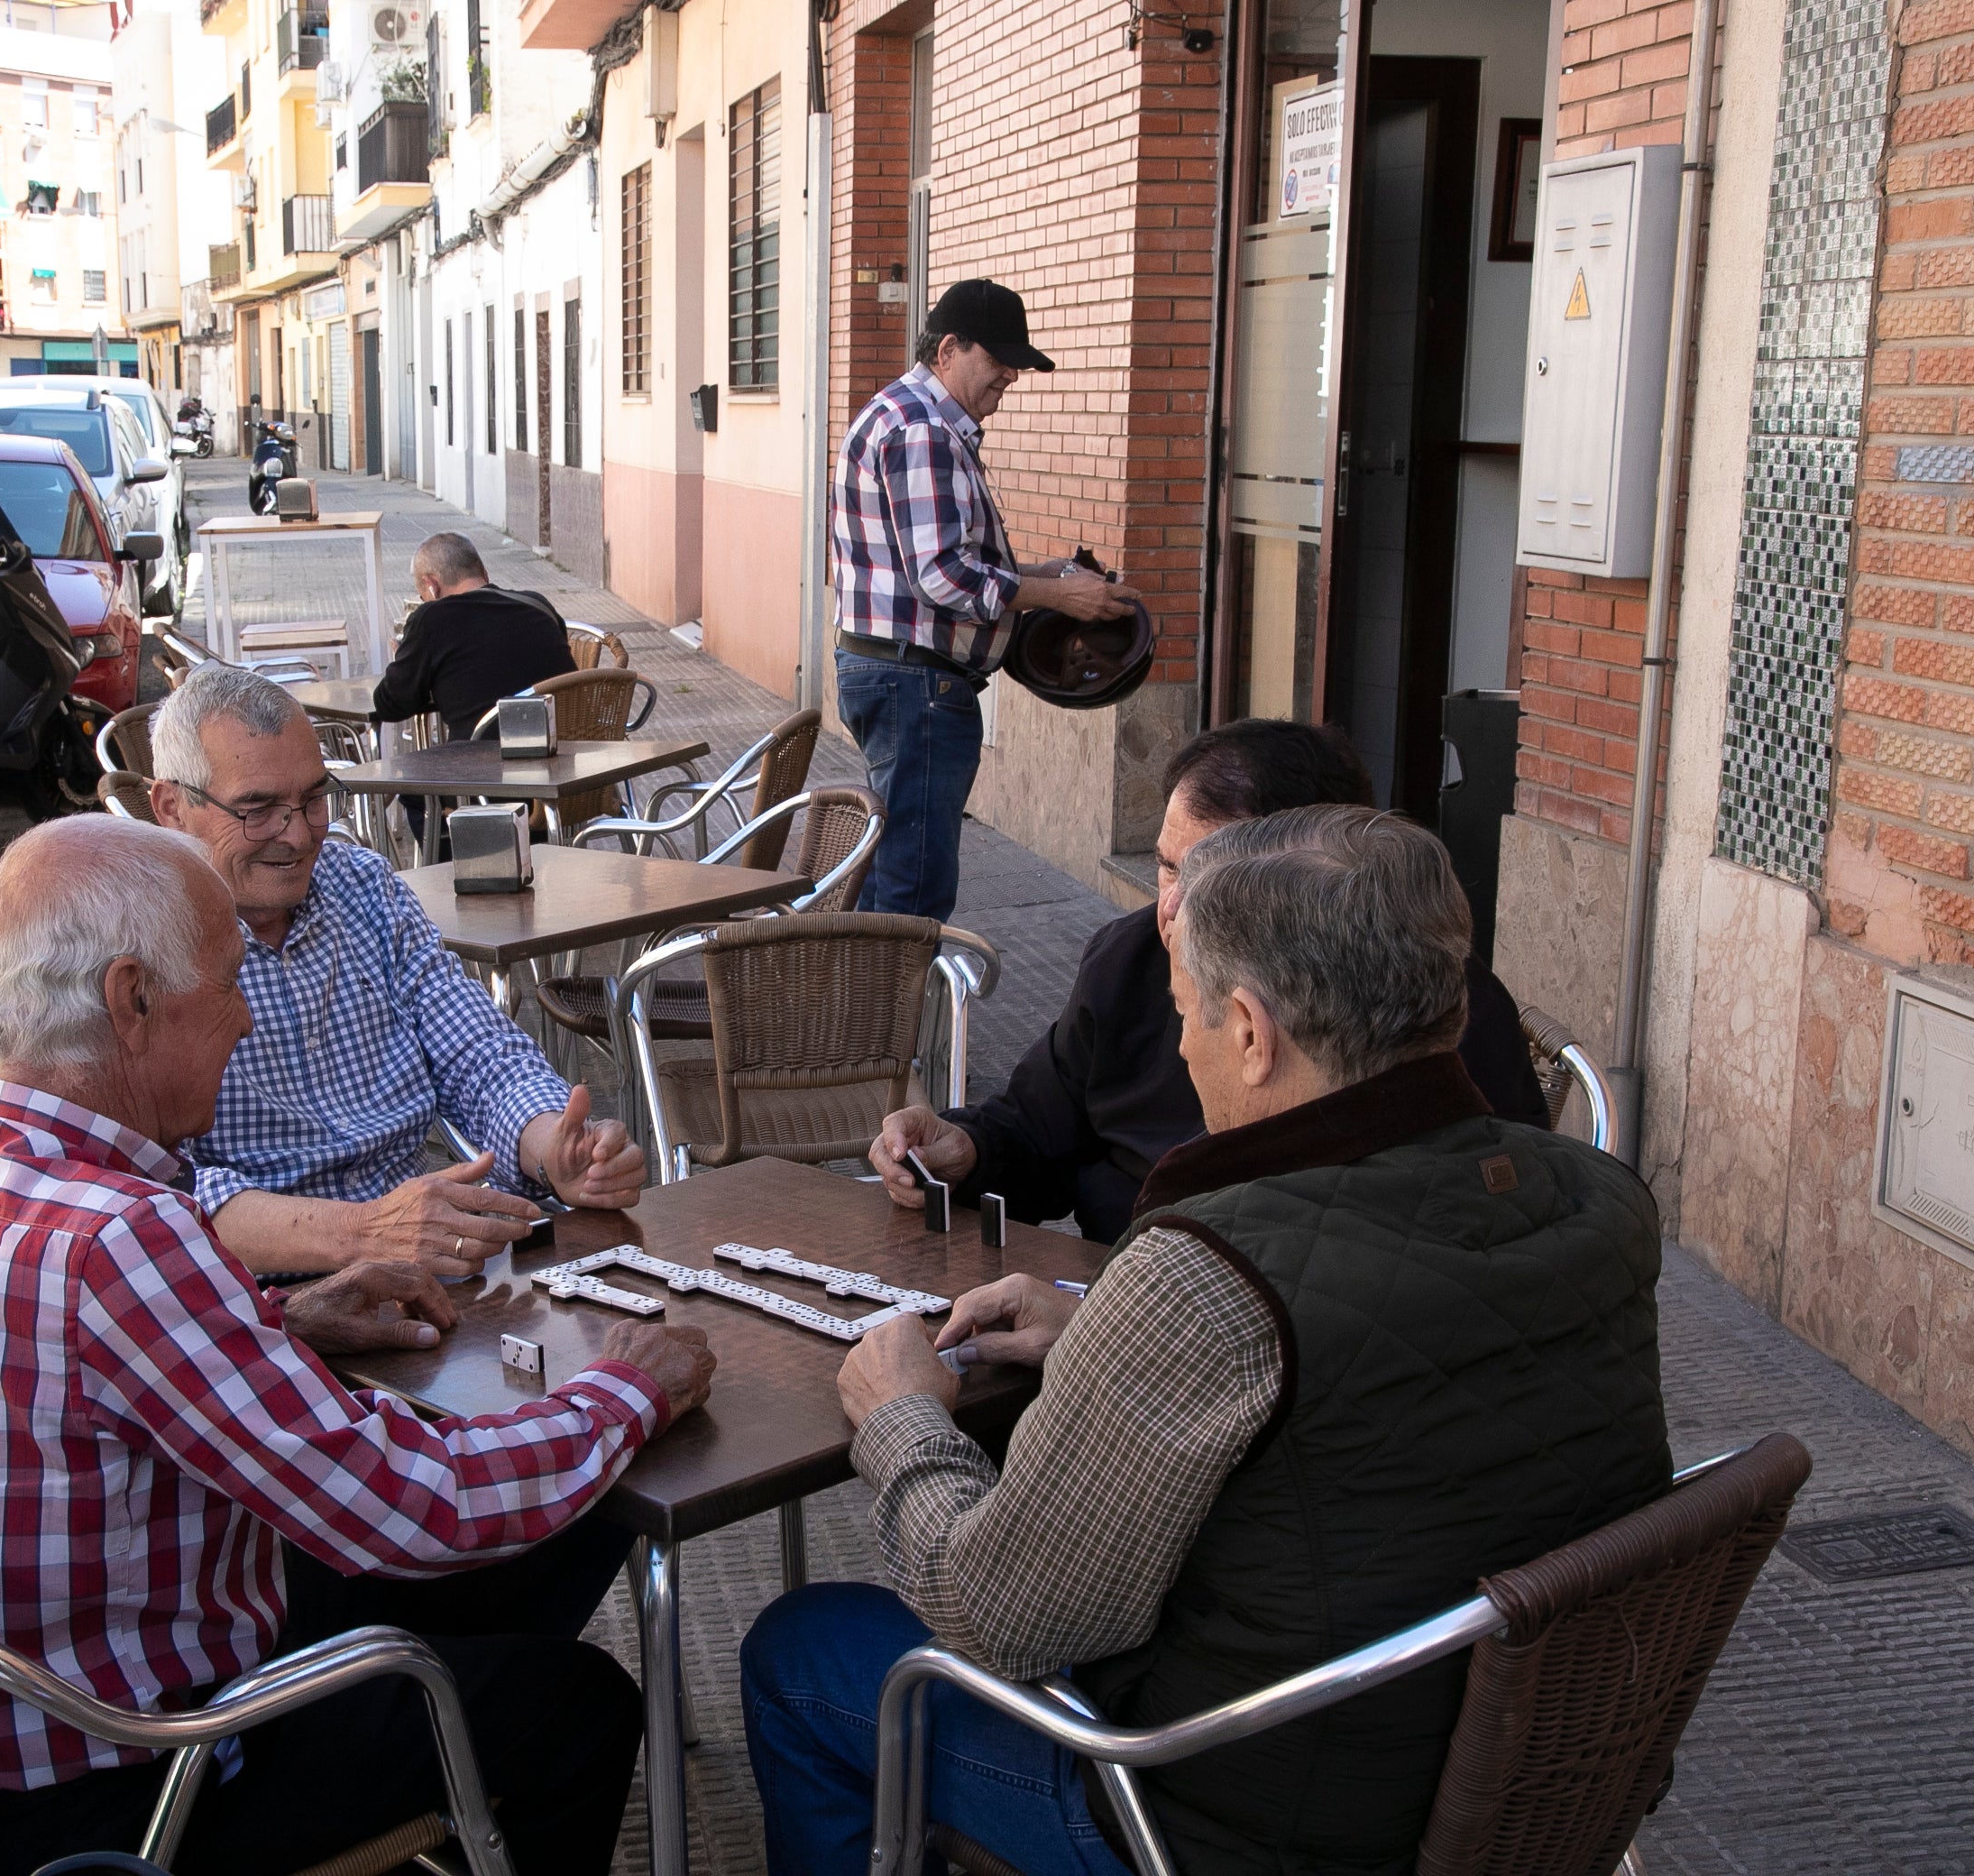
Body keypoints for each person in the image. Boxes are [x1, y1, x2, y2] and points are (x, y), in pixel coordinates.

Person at [741, 805, 1670, 1876]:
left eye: (1186, 1013)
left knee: (802, 1652)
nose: (1179, 1045)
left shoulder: (1205, 1280)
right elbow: (1380, 1373)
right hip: (1529, 1788)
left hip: (1226, 1821)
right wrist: (1103, 1335)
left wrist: (901, 1415)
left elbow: (997, 1615)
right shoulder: (1600, 1201)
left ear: (1249, 1030)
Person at [0, 815, 713, 1875]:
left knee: (561, 1521)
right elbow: (413, 1509)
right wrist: (622, 1392)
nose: (244, 1019)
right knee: (573, 1705)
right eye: (224, 987)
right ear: (130, 1001)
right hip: (132, 1785)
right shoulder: (122, 1238)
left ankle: (443, 1734)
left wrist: (288, 1316)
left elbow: (80, 1386)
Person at [868, 719, 1553, 1242]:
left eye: (1205, 880)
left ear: (1316, 875)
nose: (1170, 909)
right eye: (1167, 866)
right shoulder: (1131, 957)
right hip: (1121, 1291)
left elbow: (1474, 1219)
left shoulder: (1417, 997)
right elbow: (1038, 1125)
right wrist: (967, 1148)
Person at [146, 664, 646, 1276]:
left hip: (419, 1262)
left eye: (313, 799)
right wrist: (361, 1233)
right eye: (258, 809)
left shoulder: (360, 886)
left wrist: (555, 1151)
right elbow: (153, 1192)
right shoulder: (133, 947)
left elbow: (476, 1053)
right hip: (258, 1297)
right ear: (171, 807)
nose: (299, 835)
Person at [832, 279, 1134, 921]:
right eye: (999, 362)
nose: (1011, 378)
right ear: (948, 349)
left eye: (1016, 365)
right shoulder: (924, 430)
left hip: (898, 675)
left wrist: (1042, 573)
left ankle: (864, 1015)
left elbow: (938, 564)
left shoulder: (904, 415)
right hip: (916, 684)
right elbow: (941, 578)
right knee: (912, 896)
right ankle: (882, 1021)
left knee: (897, 878)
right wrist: (1058, 596)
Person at [372, 531, 578, 743]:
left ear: (432, 585)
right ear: (483, 572)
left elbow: (390, 705)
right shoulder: (537, 604)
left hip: (482, 765)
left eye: (423, 596)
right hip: (566, 755)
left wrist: (403, 663)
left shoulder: (430, 619)